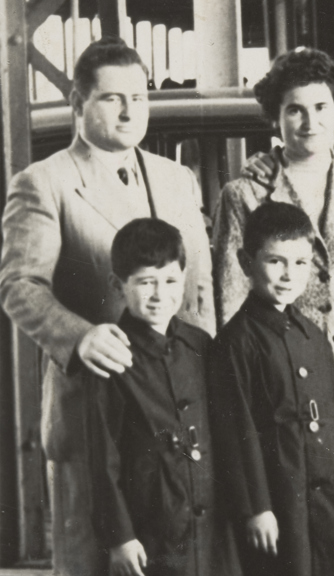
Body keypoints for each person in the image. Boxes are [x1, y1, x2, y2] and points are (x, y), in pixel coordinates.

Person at [0, 37, 214, 575]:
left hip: (178, 418)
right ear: (78, 104)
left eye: (139, 98)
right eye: (111, 98)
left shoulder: (177, 178)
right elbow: (20, 284)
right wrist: (79, 336)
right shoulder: (43, 183)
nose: (128, 110)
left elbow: (200, 291)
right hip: (96, 409)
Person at [211, 47, 334, 576]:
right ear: (276, 117)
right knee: (288, 520)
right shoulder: (245, 190)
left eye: (321, 107)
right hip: (276, 371)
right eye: (295, 109)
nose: (309, 121)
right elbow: (230, 291)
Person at [209, 204, 334, 576]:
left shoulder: (312, 334)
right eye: (275, 261)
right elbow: (236, 431)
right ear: (247, 263)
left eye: (300, 263)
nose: (289, 275)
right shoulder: (236, 342)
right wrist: (256, 507)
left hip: (328, 493)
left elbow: (333, 416)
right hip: (279, 496)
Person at [88, 219, 238, 576]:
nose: (159, 294)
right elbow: (102, 455)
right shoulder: (111, 354)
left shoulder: (199, 345)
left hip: (211, 524)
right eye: (145, 282)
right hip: (150, 526)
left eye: (170, 281)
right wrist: (120, 537)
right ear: (118, 285)